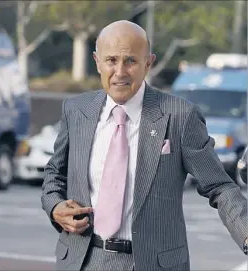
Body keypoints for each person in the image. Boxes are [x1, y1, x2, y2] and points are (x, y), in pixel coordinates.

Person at [41, 20, 247, 271]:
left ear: (148, 63)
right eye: (111, 60)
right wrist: (55, 206)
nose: (120, 71)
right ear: (96, 61)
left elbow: (219, 187)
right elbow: (54, 174)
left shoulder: (180, 116)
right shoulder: (76, 110)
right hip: (82, 261)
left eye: (130, 61)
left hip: (151, 264)